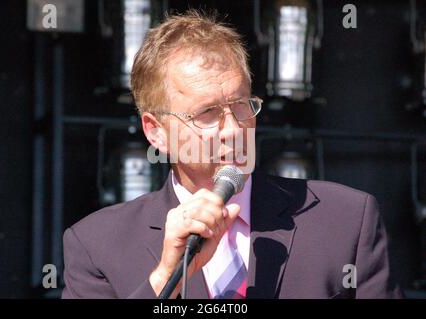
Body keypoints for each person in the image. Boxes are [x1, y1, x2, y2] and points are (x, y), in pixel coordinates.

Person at [61, 10, 402, 299]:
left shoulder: (346, 219)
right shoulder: (96, 245)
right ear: (156, 131)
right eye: (207, 113)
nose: (233, 129)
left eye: (241, 105)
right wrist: (166, 276)